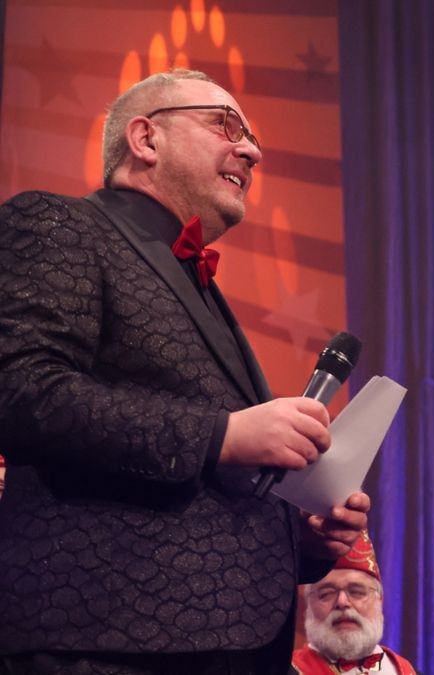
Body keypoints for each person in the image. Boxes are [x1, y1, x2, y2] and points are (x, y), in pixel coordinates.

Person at [0, 68, 370, 674]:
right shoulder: (58, 224)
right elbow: (21, 391)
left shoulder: (195, 278)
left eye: (250, 136)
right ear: (146, 140)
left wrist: (299, 544)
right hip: (105, 644)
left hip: (225, 650)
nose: (252, 149)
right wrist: (222, 435)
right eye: (226, 124)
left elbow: (201, 499)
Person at [291, 532, 417, 675]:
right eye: (326, 594)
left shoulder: (405, 670)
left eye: (357, 592)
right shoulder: (286, 670)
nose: (342, 602)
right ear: (308, 606)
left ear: (380, 600)